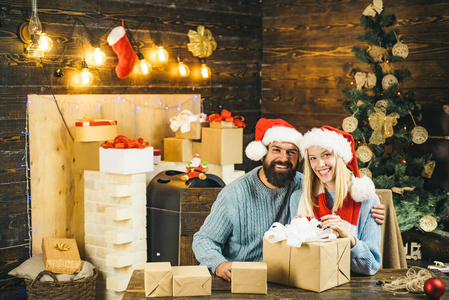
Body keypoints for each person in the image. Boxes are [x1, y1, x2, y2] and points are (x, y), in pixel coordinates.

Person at [193, 119, 385, 282]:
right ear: (263, 153)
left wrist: (374, 206)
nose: (283, 158)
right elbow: (204, 240)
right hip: (244, 277)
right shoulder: (236, 194)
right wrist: (219, 264)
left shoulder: (304, 188)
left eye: (291, 152)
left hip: (289, 278)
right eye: (276, 150)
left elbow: (337, 186)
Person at [291, 126, 381, 275]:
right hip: (310, 282)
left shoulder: (366, 200)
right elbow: (295, 259)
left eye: (326, 155)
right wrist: (295, 234)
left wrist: (348, 238)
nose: (320, 165)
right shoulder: (298, 199)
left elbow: (370, 266)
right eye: (313, 158)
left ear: (340, 157)